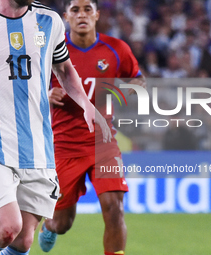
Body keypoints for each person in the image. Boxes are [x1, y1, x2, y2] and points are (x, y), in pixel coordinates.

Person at [0, 0, 111, 255]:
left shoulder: (49, 21)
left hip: (37, 146)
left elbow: (63, 67)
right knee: (5, 228)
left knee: (22, 241)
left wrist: (86, 104)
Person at [38, 0, 146, 254]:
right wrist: (45, 92)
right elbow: (26, 88)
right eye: (75, 10)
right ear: (66, 16)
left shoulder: (116, 49)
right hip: (64, 146)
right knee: (62, 223)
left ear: (97, 14)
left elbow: (137, 80)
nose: (82, 15)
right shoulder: (50, 50)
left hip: (103, 143)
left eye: (88, 9)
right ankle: (49, 227)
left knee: (114, 208)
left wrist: (127, 92)